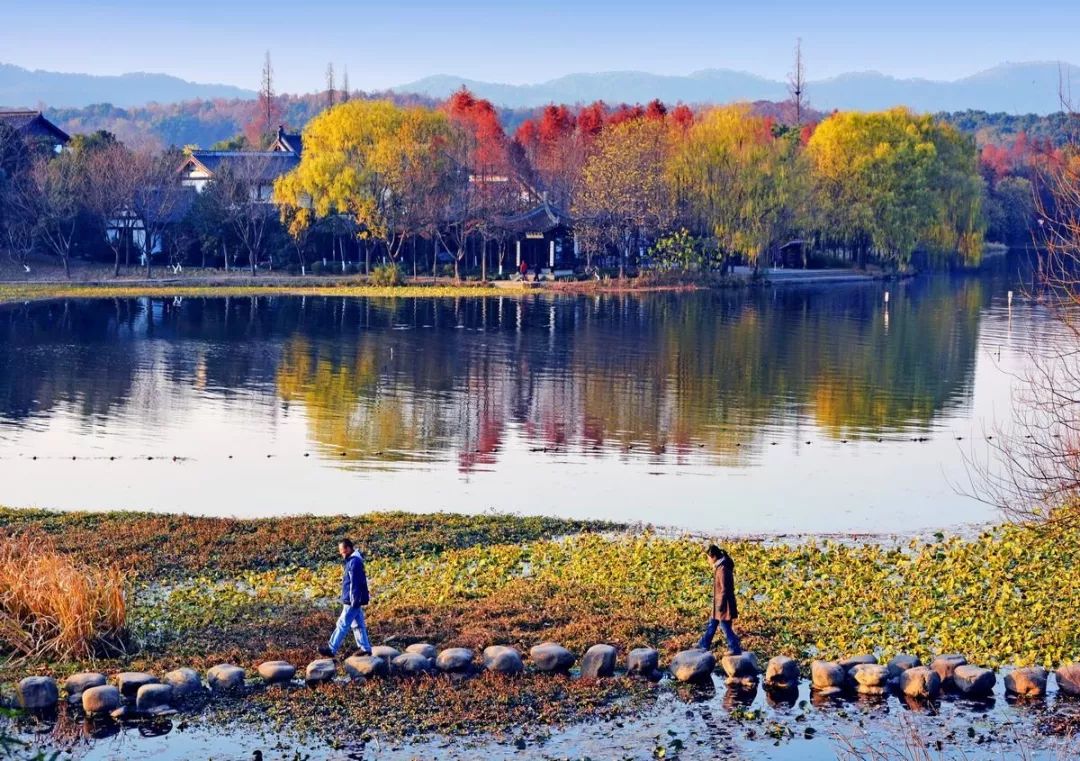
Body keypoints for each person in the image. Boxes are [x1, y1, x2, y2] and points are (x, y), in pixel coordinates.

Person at [318, 538, 372, 658]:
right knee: (358, 625)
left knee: (342, 624)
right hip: (354, 600)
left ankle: (331, 649)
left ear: (348, 548)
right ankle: (365, 648)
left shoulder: (354, 562)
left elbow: (355, 583)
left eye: (342, 551)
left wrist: (353, 601)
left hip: (352, 601)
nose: (341, 554)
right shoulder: (353, 560)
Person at [697, 544, 742, 655]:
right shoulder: (721, 565)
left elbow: (724, 589)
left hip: (724, 604)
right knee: (712, 623)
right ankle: (703, 644)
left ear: (713, 557)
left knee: (724, 626)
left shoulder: (722, 569)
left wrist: (720, 606)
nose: (708, 560)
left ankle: (734, 648)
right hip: (720, 603)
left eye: (708, 558)